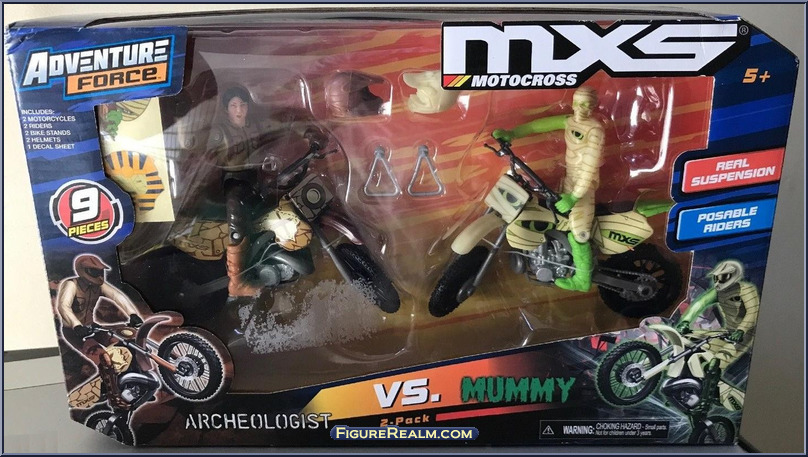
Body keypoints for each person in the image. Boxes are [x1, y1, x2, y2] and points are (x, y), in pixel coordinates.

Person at [493, 86, 605, 292]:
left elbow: (589, 169)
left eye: (587, 105)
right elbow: (538, 126)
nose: (582, 109)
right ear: (573, 103)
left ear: (594, 107)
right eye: (579, 104)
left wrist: (574, 197)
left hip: (584, 187)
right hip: (569, 179)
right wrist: (512, 134)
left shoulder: (595, 130)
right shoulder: (570, 121)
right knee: (552, 216)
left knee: (579, 232)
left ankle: (582, 280)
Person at [56, 254, 143, 410]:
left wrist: (132, 314)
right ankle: (115, 398)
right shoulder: (71, 284)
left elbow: (117, 296)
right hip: (74, 332)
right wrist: (77, 325)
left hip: (92, 327)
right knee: (105, 359)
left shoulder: (98, 286)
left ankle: (138, 385)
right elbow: (63, 306)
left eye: (100, 271)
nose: (99, 275)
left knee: (127, 342)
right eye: (94, 271)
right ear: (83, 270)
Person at [676, 259, 759, 410]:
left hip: (745, 335)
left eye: (722, 277)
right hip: (727, 332)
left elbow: (753, 313)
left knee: (715, 363)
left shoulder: (746, 290)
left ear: (733, 276)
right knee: (686, 341)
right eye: (716, 277)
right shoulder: (718, 292)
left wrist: (741, 330)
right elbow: (700, 304)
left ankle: (704, 403)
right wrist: (686, 321)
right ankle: (684, 385)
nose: (718, 281)